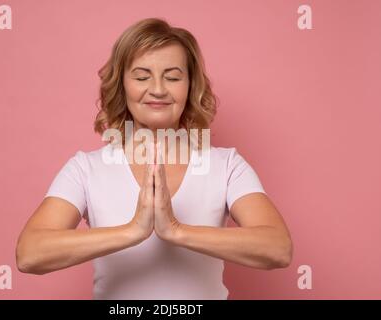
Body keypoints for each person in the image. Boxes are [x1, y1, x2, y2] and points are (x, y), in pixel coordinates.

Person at [15, 17, 293, 300]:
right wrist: (133, 230)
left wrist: (175, 230)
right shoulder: (86, 168)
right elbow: (30, 254)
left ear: (190, 85)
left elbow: (277, 248)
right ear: (122, 85)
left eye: (172, 77)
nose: (158, 89)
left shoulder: (227, 165)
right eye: (141, 76)